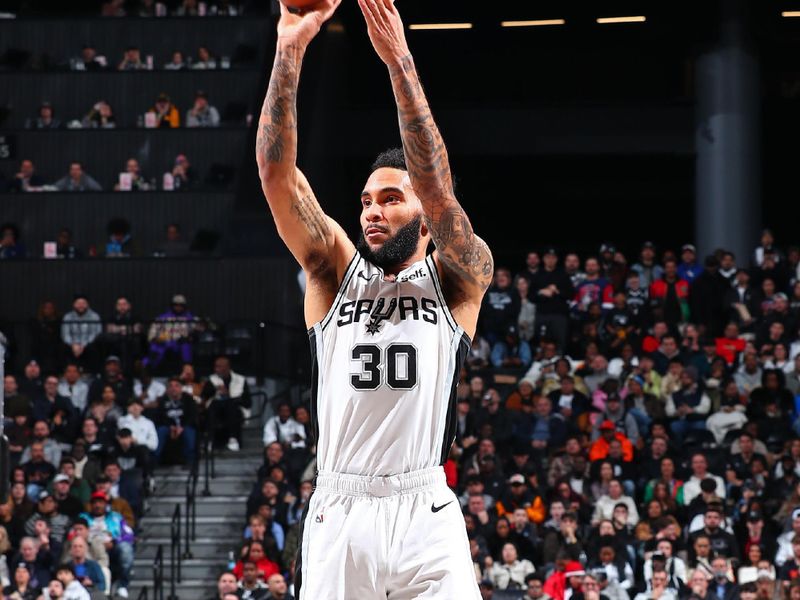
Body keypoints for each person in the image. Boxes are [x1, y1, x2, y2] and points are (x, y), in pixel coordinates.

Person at [256, 0, 493, 597]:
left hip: (424, 509)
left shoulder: (459, 276)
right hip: (342, 507)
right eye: (365, 201)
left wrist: (401, 66)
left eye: (390, 198)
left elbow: (438, 189)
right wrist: (289, 49)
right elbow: (276, 176)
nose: (372, 211)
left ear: (423, 215)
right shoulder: (334, 272)